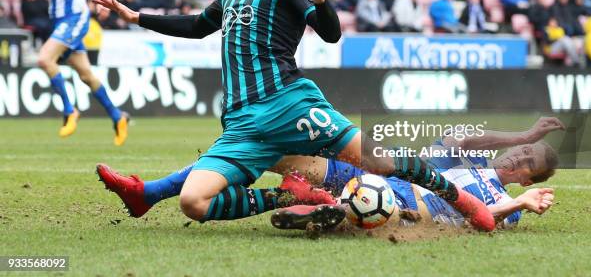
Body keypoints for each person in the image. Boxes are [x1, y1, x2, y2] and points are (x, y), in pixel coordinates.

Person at [93, 0, 494, 232]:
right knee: (193, 203)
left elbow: (330, 33)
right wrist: (137, 17)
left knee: (380, 160)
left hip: (289, 104)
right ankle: (289, 196)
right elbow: (198, 27)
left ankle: (461, 199)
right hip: (242, 123)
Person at [94, 117, 562, 231]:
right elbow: (462, 138)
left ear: (527, 180)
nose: (517, 159)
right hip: (374, 170)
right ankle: (149, 193)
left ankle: (315, 207)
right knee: (265, 152)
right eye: (521, 150)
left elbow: (490, 217)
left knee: (373, 204)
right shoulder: (472, 161)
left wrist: (518, 205)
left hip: (401, 209)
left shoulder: (508, 203)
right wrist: (522, 131)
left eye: (527, 165)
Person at [24, 0, 129, 145]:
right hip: (58, 20)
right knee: (86, 75)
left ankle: (69, 110)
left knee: (44, 59)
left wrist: (106, 1)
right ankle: (117, 116)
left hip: (77, 17)